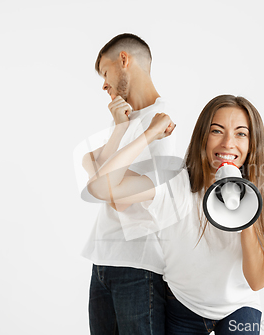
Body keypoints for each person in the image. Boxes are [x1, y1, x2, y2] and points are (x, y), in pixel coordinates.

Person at [87, 94, 264, 334]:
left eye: (241, 134)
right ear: (202, 137)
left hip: (238, 307)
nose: (228, 143)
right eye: (217, 131)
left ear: (252, 144)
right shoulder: (177, 181)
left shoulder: (258, 196)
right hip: (184, 305)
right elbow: (101, 187)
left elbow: (257, 282)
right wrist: (150, 134)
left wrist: (245, 210)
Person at [80, 33, 176, 335]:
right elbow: (87, 163)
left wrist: (107, 177)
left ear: (124, 60)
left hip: (139, 268)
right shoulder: (123, 119)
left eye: (105, 73)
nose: (104, 85)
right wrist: (119, 131)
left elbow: (117, 196)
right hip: (102, 262)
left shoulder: (166, 125)